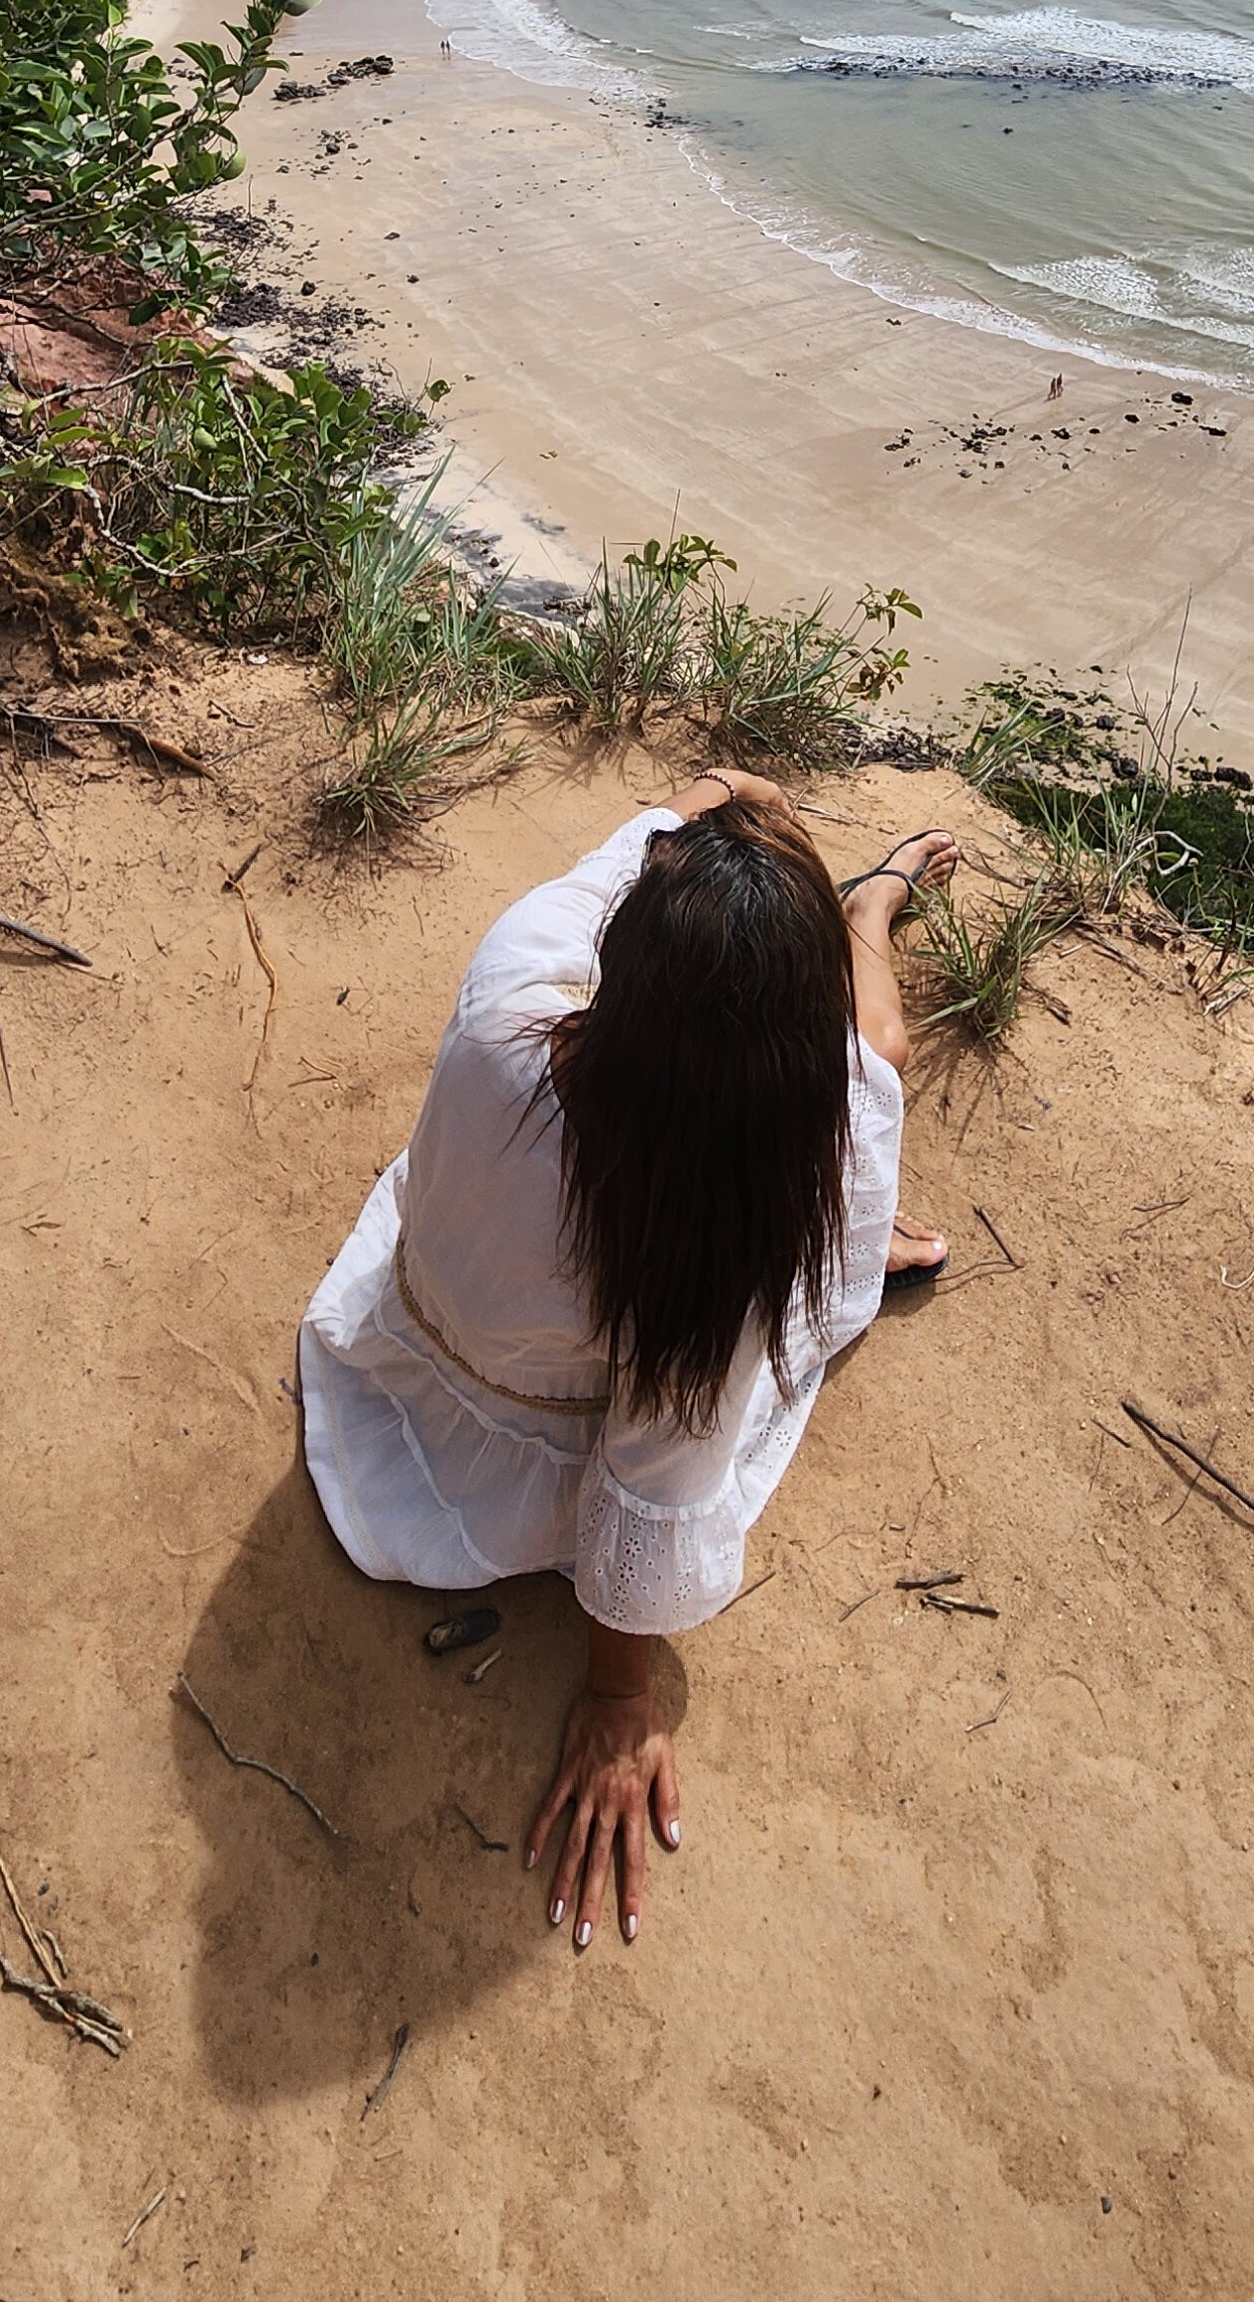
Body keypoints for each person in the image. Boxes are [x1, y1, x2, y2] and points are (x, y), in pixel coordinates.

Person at [298, 771, 956, 1950]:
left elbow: (641, 844)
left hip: (427, 1353)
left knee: (844, 1086)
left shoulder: (515, 979)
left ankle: (846, 923)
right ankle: (868, 916)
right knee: (880, 1062)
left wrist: (731, 797)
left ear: (619, 961)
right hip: (591, 1382)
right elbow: (656, 1475)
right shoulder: (727, 1234)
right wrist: (619, 1693)